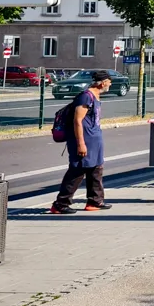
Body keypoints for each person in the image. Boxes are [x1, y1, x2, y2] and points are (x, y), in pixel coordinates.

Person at [49, 70, 113, 214]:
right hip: (84, 140)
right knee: (77, 170)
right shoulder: (85, 97)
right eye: (109, 82)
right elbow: (77, 121)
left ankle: (95, 201)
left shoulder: (95, 96)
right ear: (102, 83)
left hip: (95, 139)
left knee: (96, 169)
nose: (110, 84)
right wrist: (81, 143)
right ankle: (60, 204)